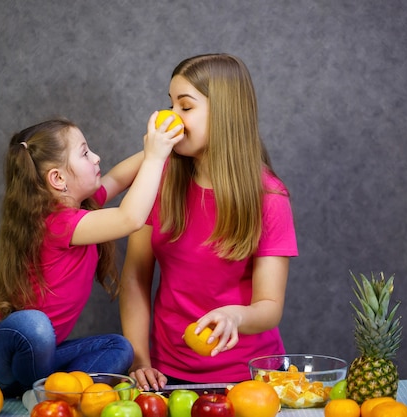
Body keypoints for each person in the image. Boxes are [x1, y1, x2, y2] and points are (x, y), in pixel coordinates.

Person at [0, 115, 183, 397]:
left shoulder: (82, 210)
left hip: (35, 361)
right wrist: (154, 158)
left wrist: (161, 144)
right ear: (58, 178)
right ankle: (43, 391)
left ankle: (49, 393)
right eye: (85, 152)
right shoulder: (54, 223)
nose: (96, 157)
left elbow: (117, 177)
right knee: (35, 325)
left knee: (120, 348)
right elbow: (130, 218)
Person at [119, 53, 298, 391]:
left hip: (250, 380)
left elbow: (270, 307)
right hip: (166, 376)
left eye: (185, 107)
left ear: (226, 115)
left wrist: (235, 316)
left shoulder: (269, 198)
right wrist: (140, 358)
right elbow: (135, 279)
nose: (170, 117)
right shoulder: (157, 178)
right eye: (170, 104)